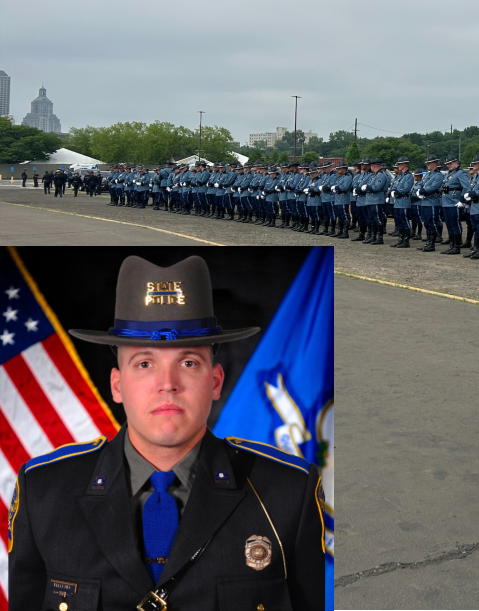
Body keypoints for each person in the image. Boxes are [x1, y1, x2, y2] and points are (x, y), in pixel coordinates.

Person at [8, 255, 325, 608]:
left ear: (216, 382)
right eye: (145, 364)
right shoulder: (44, 493)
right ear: (117, 385)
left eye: (188, 362)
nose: (167, 384)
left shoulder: (287, 493)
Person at [441, 156, 471, 254]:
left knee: (455, 224)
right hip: (446, 202)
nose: (448, 165)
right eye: (447, 164)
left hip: (454, 202)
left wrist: (462, 200)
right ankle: (452, 244)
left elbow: (466, 187)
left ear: (455, 162)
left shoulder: (461, 173)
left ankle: (457, 246)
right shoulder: (449, 173)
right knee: (449, 224)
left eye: (450, 163)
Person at [415, 157, 443, 251]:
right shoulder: (427, 174)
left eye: (429, 163)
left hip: (432, 202)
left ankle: (432, 243)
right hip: (424, 202)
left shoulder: (438, 175)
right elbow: (420, 183)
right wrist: (418, 190)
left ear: (434, 163)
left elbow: (433, 187)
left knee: (431, 222)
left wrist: (423, 191)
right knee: (426, 223)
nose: (427, 165)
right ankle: (428, 242)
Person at [388, 158, 413, 246]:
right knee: (399, 221)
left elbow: (406, 189)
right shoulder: (400, 176)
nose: (398, 166)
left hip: (404, 200)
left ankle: (406, 240)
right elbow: (394, 185)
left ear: (405, 164)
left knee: (404, 221)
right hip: (397, 201)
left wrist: (396, 192)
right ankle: (401, 239)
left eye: (400, 164)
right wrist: (393, 191)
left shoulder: (408, 176)